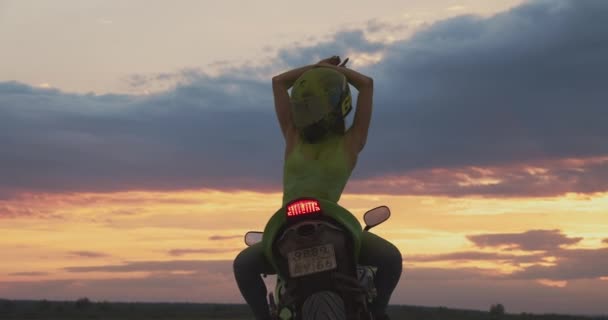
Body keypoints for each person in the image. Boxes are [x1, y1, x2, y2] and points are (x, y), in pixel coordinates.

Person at [233, 56, 402, 320]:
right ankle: (378, 313)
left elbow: (366, 85)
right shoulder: (340, 142)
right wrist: (322, 71)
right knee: (391, 259)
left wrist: (321, 69)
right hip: (319, 224)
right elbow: (279, 83)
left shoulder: (300, 138)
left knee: (244, 265)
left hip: (290, 224)